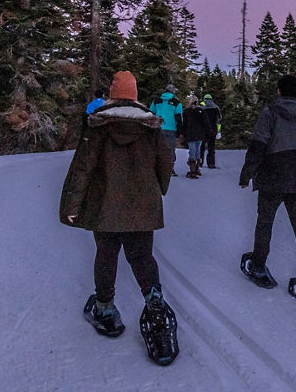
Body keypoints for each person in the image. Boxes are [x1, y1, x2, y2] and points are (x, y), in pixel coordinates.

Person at [59, 70, 179, 366]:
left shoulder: (99, 124)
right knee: (142, 257)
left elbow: (84, 167)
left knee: (107, 253)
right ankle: (156, 308)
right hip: (142, 204)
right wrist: (158, 188)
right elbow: (165, 161)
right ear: (135, 95)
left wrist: (72, 205)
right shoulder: (150, 126)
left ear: (112, 94)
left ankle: (105, 308)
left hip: (105, 204)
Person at [238, 74, 296, 307]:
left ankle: (258, 266)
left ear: (279, 91)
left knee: (265, 222)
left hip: (273, 177)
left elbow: (258, 145)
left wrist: (246, 174)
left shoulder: (271, 112)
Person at [149, 84, 183, 176]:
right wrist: (180, 131)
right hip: (171, 128)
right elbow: (178, 117)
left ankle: (157, 168)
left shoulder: (156, 101)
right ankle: (170, 168)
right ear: (173, 91)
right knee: (170, 149)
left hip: (158, 127)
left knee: (157, 147)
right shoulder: (177, 102)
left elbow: (151, 113)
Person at [182, 96, 210, 179]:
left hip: (190, 134)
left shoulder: (186, 111)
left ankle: (192, 169)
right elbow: (206, 122)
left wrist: (183, 133)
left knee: (192, 151)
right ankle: (197, 168)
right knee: (197, 150)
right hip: (200, 134)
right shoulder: (201, 111)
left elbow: (184, 123)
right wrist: (208, 131)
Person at [199, 93, 222, 168]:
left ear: (204, 99)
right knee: (211, 147)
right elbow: (219, 120)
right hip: (213, 130)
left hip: (203, 130)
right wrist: (218, 131)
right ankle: (211, 163)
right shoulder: (216, 107)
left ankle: (200, 162)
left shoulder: (201, 106)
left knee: (201, 147)